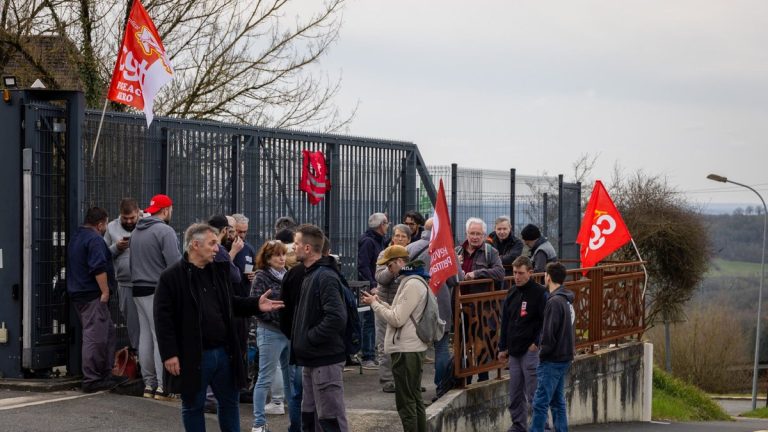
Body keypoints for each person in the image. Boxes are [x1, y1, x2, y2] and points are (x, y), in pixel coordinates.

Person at [154, 223, 284, 432]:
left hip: (225, 353)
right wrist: (170, 354)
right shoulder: (172, 277)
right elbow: (163, 319)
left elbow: (230, 303)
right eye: (212, 243)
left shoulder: (217, 271)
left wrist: (255, 304)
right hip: (194, 355)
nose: (217, 248)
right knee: (193, 406)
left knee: (230, 404)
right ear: (195, 245)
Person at [362, 245, 428, 432]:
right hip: (411, 347)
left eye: (390, 266)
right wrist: (379, 302)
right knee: (414, 398)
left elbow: (397, 319)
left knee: (406, 402)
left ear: (400, 262)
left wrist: (375, 305)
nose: (389, 272)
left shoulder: (411, 283)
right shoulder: (412, 280)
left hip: (407, 349)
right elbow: (397, 312)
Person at [292, 224, 349, 431]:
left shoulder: (324, 276)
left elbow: (336, 317)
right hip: (312, 360)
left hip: (324, 361)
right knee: (311, 419)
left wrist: (308, 338)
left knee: (330, 421)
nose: (293, 248)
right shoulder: (311, 274)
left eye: (297, 243)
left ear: (307, 248)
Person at [68, 207, 125, 393]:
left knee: (106, 333)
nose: (106, 229)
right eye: (105, 225)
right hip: (92, 294)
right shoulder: (94, 239)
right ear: (100, 224)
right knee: (96, 336)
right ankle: (93, 378)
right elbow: (98, 267)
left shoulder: (77, 236)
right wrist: (105, 292)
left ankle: (104, 374)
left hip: (79, 292)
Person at [130, 193, 182, 400]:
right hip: (157, 288)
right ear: (166, 209)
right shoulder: (165, 231)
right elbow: (174, 263)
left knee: (146, 337)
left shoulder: (136, 231)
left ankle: (149, 384)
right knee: (161, 337)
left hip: (138, 287)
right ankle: (163, 386)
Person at [498, 256, 549, 432]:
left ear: (530, 272)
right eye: (514, 273)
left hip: (530, 351)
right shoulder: (512, 292)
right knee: (515, 393)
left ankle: (542, 426)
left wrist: (536, 343)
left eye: (520, 273)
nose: (517, 277)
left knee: (534, 392)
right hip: (514, 350)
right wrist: (502, 347)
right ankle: (518, 424)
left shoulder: (540, 293)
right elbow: (505, 321)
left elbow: (546, 321)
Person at [455, 217, 505, 382]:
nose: (475, 237)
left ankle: (483, 379)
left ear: (484, 235)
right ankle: (465, 378)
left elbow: (499, 273)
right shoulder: (457, 252)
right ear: (466, 233)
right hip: (461, 306)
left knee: (482, 344)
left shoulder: (490, 252)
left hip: (483, 308)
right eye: (472, 233)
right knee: (463, 343)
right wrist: (456, 266)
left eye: (478, 234)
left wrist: (476, 274)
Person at [406, 218, 452, 398]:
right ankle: (441, 386)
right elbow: (457, 279)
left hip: (416, 303)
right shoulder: (446, 250)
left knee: (416, 347)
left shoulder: (411, 248)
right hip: (441, 303)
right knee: (441, 347)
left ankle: (413, 388)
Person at [251, 240, 292, 431]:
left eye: (283, 254)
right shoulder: (261, 277)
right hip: (270, 331)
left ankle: (295, 420)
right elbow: (255, 305)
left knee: (290, 377)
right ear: (267, 258)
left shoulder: (288, 275)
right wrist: (275, 317)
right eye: (277, 255)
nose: (282, 258)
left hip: (288, 332)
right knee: (264, 377)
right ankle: (259, 423)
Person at [530, 262, 575, 432]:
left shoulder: (554, 301)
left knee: (540, 402)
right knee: (557, 401)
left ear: (548, 277)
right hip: (564, 356)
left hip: (552, 359)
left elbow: (548, 334)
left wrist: (543, 354)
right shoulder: (566, 299)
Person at [373, 223, 412, 392]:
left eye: (403, 236)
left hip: (404, 305)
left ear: (409, 239)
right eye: (397, 235)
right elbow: (380, 278)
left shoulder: (411, 255)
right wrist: (393, 269)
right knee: (384, 344)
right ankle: (387, 380)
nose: (400, 239)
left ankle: (407, 380)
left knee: (406, 345)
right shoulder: (384, 254)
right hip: (384, 304)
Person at [103, 198, 141, 351]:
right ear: (120, 215)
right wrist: (116, 247)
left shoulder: (147, 223)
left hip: (148, 282)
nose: (130, 221)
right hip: (125, 283)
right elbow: (103, 255)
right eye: (126, 218)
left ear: (138, 213)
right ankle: (138, 355)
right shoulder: (111, 227)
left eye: (132, 217)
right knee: (133, 324)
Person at [357, 212, 388, 369]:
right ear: (381, 225)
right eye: (386, 223)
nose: (388, 227)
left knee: (372, 319)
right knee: (369, 320)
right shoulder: (369, 242)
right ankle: (367, 355)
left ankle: (370, 353)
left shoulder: (377, 240)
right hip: (370, 287)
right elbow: (363, 265)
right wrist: (372, 285)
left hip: (373, 284)